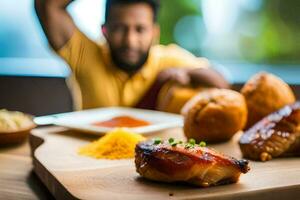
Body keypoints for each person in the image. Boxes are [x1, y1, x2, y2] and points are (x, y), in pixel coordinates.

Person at [34, 0, 229, 110]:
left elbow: (221, 83)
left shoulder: (169, 59)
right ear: (104, 30)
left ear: (155, 33)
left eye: (140, 29)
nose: (130, 41)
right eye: (120, 28)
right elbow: (47, 5)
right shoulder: (84, 54)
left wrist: (188, 74)